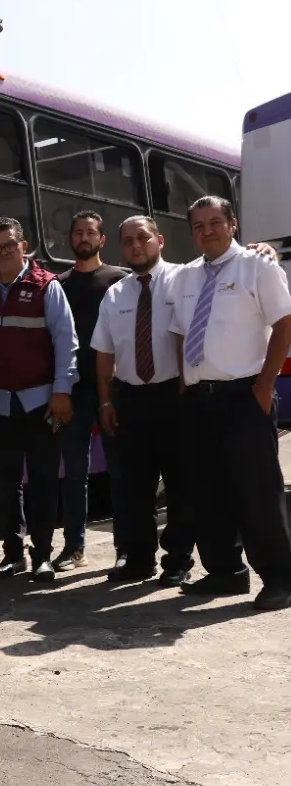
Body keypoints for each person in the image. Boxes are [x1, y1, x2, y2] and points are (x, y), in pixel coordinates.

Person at [168, 196, 291, 610]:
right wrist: (187, 384)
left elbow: (284, 323)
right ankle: (225, 573)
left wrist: (264, 385)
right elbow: (182, 332)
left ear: (233, 224)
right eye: (198, 224)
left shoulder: (258, 266)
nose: (208, 230)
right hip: (200, 401)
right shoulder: (184, 277)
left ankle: (280, 579)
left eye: (216, 221)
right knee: (208, 493)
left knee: (257, 493)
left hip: (245, 396)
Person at [0, 217, 78, 582]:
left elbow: (66, 341)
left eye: (9, 245)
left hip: (41, 405)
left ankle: (42, 556)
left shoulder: (46, 286)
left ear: (24, 246)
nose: (3, 252)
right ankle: (12, 554)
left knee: (44, 481)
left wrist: (62, 391)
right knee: (5, 484)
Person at [91, 216, 196, 585]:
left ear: (160, 241)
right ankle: (138, 557)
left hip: (175, 396)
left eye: (143, 238)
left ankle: (178, 559)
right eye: (128, 241)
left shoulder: (185, 279)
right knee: (134, 486)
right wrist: (105, 402)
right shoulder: (116, 294)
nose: (136, 246)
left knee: (181, 484)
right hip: (130, 399)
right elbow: (103, 351)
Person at [53, 211, 129, 573]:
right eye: (77, 232)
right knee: (74, 473)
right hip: (73, 391)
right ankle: (73, 548)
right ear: (71, 239)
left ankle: (125, 548)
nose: (83, 238)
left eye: (90, 233)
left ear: (102, 240)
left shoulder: (121, 280)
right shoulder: (59, 284)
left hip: (114, 391)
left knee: (120, 472)